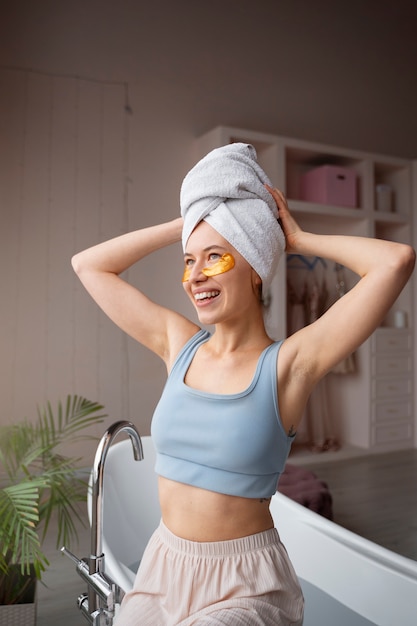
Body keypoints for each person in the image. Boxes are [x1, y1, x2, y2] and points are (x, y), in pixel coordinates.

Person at [72, 143, 415, 626]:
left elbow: (395, 261)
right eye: (190, 261)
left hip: (244, 585)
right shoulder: (178, 344)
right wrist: (191, 222)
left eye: (215, 257)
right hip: (162, 565)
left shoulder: (289, 365)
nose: (195, 277)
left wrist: (294, 237)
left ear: (255, 267)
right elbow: (89, 265)